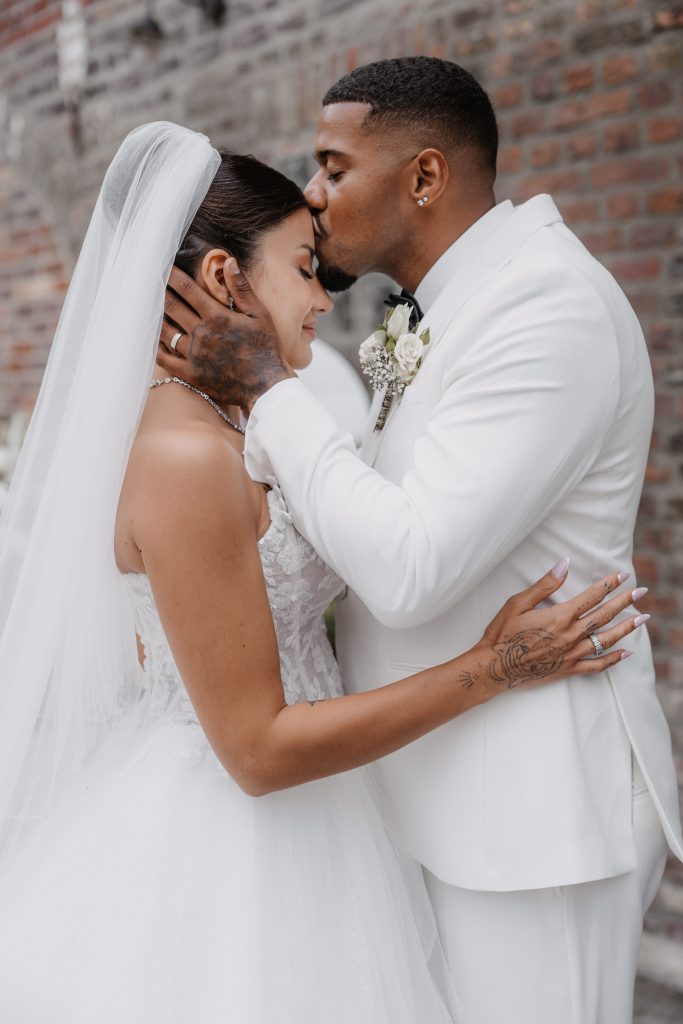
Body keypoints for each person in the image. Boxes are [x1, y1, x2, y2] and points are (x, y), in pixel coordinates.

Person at [0, 121, 643, 1023]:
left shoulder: (232, 426)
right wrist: (492, 669)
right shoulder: (185, 458)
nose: (323, 299)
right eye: (303, 268)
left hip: (336, 822)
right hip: (234, 856)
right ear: (227, 279)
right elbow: (257, 751)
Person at [157, 58, 683, 1024]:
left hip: (529, 821)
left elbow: (406, 570)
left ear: (425, 177)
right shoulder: (446, 308)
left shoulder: (545, 306)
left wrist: (272, 388)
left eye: (331, 165)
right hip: (417, 796)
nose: (311, 197)